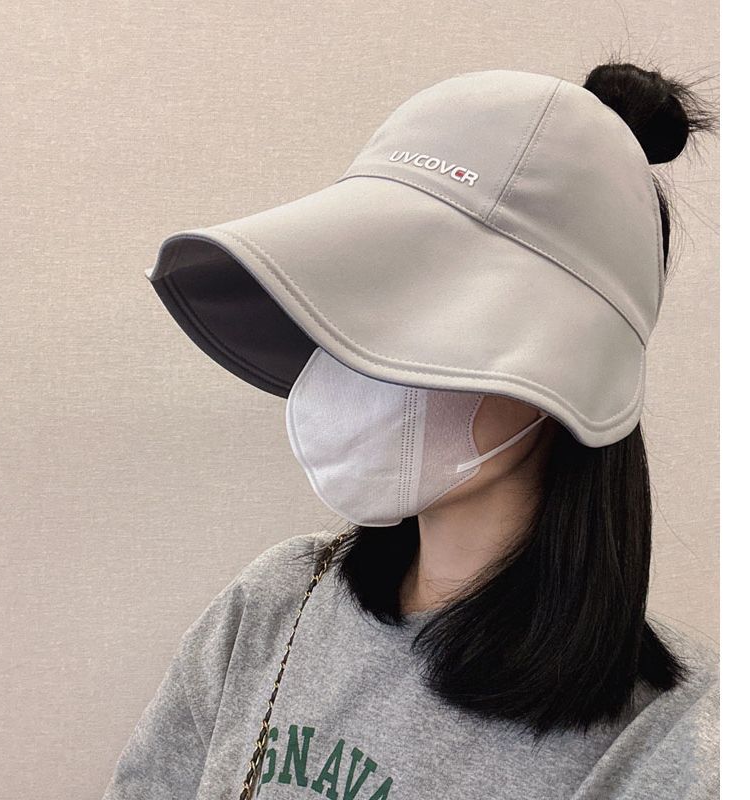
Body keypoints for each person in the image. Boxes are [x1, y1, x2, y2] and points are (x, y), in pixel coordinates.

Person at [102, 60, 719, 799]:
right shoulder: (276, 604)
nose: (358, 360)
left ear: (572, 367)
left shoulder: (677, 746)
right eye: (352, 303)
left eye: (430, 314)